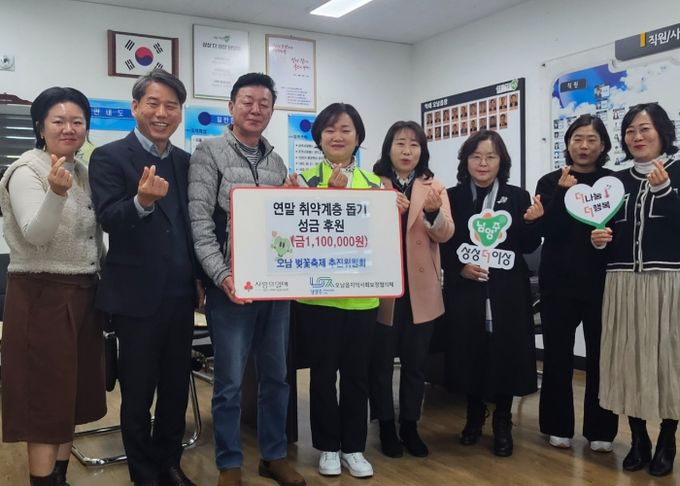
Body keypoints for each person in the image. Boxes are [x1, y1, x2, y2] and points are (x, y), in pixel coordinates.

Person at [188, 72, 305, 486]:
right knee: (229, 384)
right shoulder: (209, 153)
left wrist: (296, 199)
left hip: (275, 288)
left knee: (276, 378)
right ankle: (229, 464)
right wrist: (221, 277)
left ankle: (273, 456)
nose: (256, 110)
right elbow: (200, 224)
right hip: (230, 290)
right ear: (231, 106)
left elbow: (284, 226)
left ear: (272, 111)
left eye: (264, 104)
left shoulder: (276, 161)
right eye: (247, 102)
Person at [89, 69, 200, 486]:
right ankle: (144, 474)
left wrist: (200, 279)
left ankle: (169, 463)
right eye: (153, 103)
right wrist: (141, 201)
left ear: (180, 113)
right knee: (137, 393)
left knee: (175, 388)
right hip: (135, 298)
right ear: (135, 107)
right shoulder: (109, 157)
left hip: (180, 295)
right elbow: (109, 219)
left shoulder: (185, 162)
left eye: (171, 106)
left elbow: (193, 227)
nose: (162, 113)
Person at [0, 87, 106, 486]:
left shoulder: (83, 172)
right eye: (58, 121)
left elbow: (92, 237)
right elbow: (36, 234)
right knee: (44, 401)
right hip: (41, 295)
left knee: (68, 398)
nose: (69, 128)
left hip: (82, 293)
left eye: (77, 121)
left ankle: (58, 477)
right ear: (40, 127)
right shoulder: (26, 170)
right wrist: (56, 194)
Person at [287, 102, 381, 478]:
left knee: (357, 375)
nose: (337, 136)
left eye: (345, 129)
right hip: (317, 297)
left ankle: (354, 448)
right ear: (318, 138)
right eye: (329, 130)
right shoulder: (302, 181)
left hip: (362, 297)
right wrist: (325, 193)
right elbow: (294, 235)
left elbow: (380, 240)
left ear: (358, 137)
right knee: (323, 375)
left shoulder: (375, 185)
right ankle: (328, 446)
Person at [440, 129, 543, 457]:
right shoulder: (452, 197)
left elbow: (528, 246)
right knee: (470, 350)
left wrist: (534, 224)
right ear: (466, 161)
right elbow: (442, 242)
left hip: (506, 290)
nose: (483, 163)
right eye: (476, 156)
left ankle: (502, 419)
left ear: (502, 162)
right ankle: (474, 415)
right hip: (466, 289)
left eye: (490, 157)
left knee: (505, 352)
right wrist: (459, 268)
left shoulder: (517, 196)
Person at [591, 102, 680, 477]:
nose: (637, 137)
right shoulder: (616, 182)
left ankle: (667, 440)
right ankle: (639, 438)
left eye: (645, 129)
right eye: (630, 130)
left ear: (662, 132)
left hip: (668, 282)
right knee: (626, 359)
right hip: (622, 282)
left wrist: (666, 191)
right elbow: (607, 229)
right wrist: (599, 240)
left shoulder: (677, 171)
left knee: (668, 362)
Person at [368, 121, 454, 458]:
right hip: (383, 289)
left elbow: (445, 233)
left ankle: (410, 425)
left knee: (416, 364)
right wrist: (384, 211)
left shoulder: (434, 186)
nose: (407, 151)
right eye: (400, 143)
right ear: (388, 147)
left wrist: (432, 212)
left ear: (422, 151)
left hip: (422, 289)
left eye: (414, 145)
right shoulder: (371, 183)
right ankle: (386, 425)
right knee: (380, 364)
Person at [535, 114, 618, 452]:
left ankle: (601, 430)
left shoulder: (613, 182)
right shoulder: (550, 181)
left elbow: (620, 232)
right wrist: (560, 193)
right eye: (577, 139)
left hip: (601, 283)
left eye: (592, 139)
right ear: (567, 143)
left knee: (601, 357)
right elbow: (546, 230)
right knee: (557, 357)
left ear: (603, 145)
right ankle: (557, 426)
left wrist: (605, 239)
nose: (584, 146)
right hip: (557, 283)